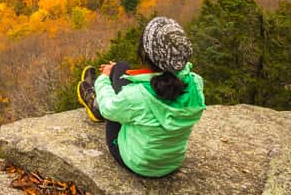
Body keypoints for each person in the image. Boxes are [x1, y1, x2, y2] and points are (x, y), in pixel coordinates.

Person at [77, 16, 205, 177]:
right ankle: (108, 82)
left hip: (138, 163)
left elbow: (109, 109)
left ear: (146, 53)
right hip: (172, 162)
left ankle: (95, 103)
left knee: (115, 87)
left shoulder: (137, 95)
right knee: (121, 67)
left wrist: (104, 78)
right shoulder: (196, 84)